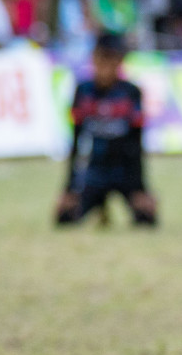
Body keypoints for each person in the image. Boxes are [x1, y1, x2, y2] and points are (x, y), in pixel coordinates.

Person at [56, 34, 156, 227]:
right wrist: (69, 188)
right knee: (65, 218)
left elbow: (136, 145)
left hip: (124, 173)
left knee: (146, 219)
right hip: (94, 173)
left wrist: (141, 188)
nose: (104, 67)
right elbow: (76, 141)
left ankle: (114, 205)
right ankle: (98, 206)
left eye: (110, 60)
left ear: (119, 62)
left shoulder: (131, 93)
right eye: (100, 59)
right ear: (93, 59)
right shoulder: (83, 91)